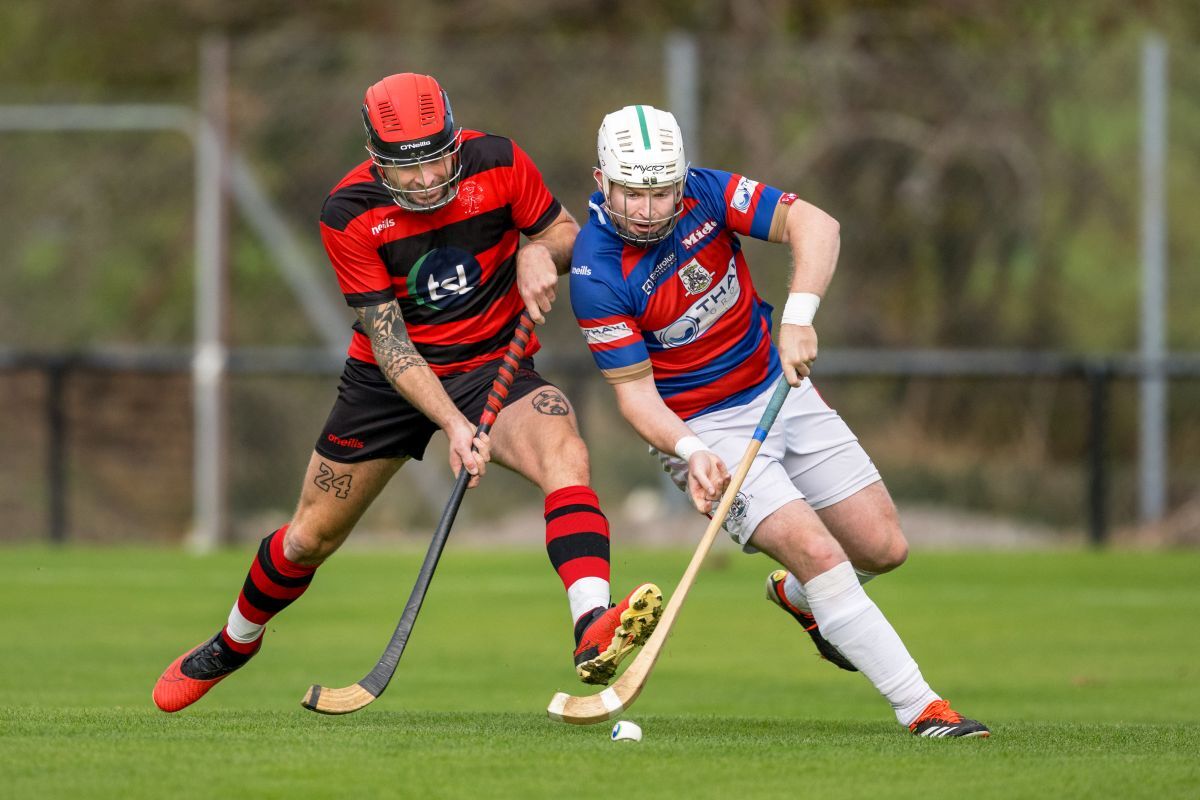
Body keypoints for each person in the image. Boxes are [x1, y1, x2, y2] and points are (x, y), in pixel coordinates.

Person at [153, 75, 662, 713]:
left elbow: (564, 231)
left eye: (435, 160)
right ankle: (236, 640)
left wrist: (541, 252)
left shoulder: (499, 162)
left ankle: (592, 624)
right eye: (404, 168)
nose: (424, 182)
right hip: (390, 381)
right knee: (309, 538)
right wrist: (453, 425)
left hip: (491, 365)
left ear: (455, 137)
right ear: (374, 157)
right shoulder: (349, 212)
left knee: (567, 455)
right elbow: (392, 345)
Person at [568, 105, 989, 738]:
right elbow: (635, 398)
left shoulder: (706, 193)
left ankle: (798, 597)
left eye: (662, 190)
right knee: (821, 553)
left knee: (882, 547)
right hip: (704, 430)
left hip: (779, 387)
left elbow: (816, 223)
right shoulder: (594, 272)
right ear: (602, 182)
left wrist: (798, 314)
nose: (651, 208)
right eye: (634, 192)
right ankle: (922, 708)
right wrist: (691, 452)